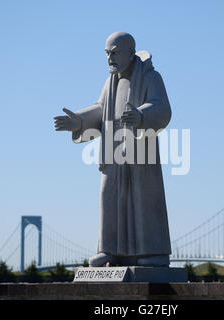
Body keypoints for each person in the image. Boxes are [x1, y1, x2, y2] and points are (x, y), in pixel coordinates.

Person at [54, 32, 172, 267]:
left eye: (115, 52)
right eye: (107, 53)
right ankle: (109, 251)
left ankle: (150, 252)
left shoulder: (151, 77)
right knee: (108, 195)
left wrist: (141, 115)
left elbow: (163, 109)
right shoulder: (111, 82)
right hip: (112, 150)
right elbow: (100, 109)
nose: (110, 58)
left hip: (140, 149)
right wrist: (78, 121)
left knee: (142, 197)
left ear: (131, 52)